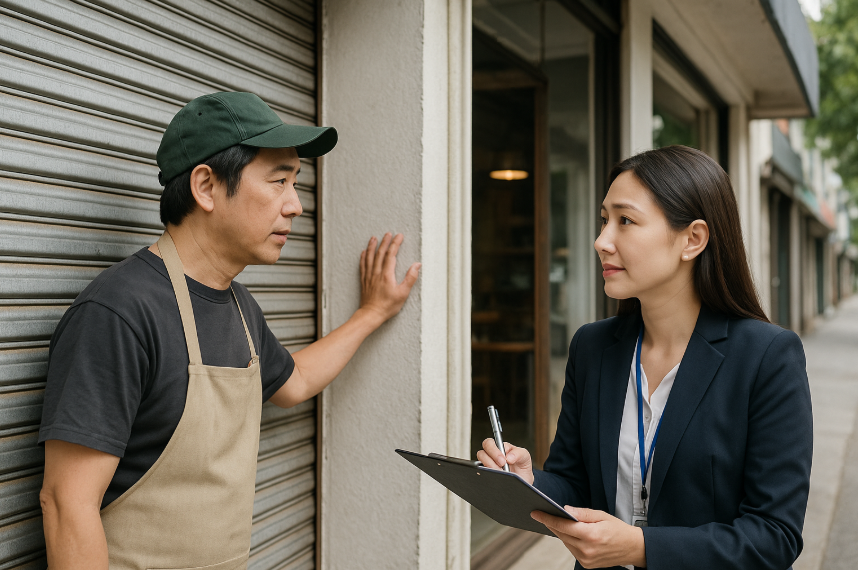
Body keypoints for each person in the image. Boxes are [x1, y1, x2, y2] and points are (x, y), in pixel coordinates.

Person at [38, 91, 421, 570]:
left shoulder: (239, 306)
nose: (296, 206)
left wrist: (373, 312)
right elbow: (66, 504)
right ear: (206, 186)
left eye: (295, 182)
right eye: (279, 181)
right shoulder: (119, 311)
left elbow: (294, 381)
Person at [479, 146, 812, 570]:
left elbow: (774, 536)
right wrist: (529, 482)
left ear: (692, 239)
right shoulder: (592, 347)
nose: (602, 241)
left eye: (626, 221)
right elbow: (576, 485)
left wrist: (640, 547)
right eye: (604, 220)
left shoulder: (767, 358)